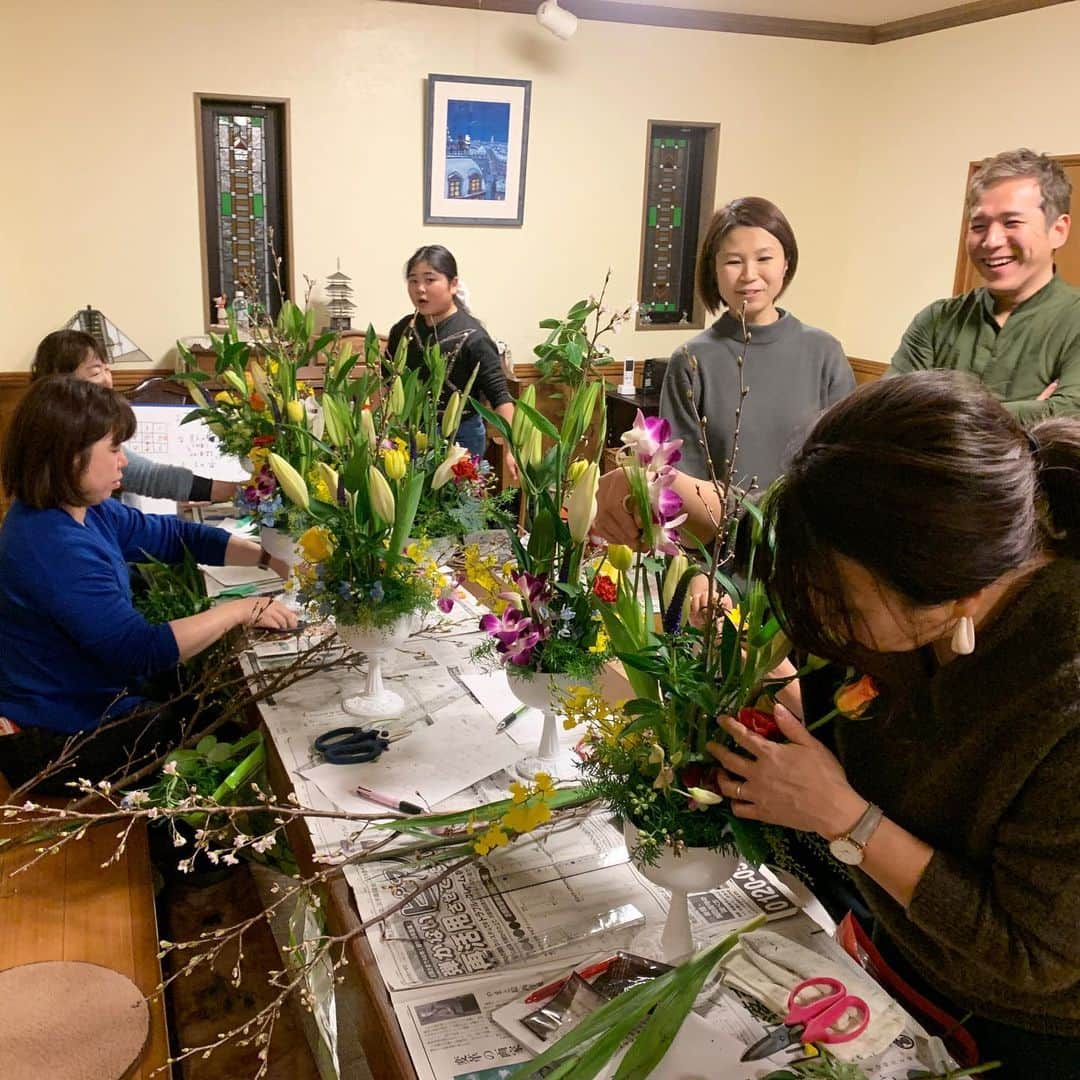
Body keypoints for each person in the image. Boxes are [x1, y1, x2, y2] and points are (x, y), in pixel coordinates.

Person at [706, 371, 1079, 1075]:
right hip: (894, 954)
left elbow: (1034, 954)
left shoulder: (1060, 695)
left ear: (953, 589)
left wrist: (847, 820)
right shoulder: (936, 601)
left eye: (840, 603)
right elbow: (859, 698)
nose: (829, 622)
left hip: (1011, 1028)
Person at [0, 376, 297, 791]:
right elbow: (141, 650)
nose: (124, 462)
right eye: (115, 449)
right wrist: (242, 609)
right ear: (70, 456)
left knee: (225, 704)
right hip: (60, 737)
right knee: (236, 741)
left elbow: (176, 537)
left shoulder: (83, 510)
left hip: (94, 699)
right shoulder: (53, 545)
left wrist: (270, 558)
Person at [594, 197, 853, 548]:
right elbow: (681, 484)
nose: (749, 275)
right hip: (717, 562)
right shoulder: (691, 361)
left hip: (806, 551)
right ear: (713, 272)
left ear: (786, 262)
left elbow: (845, 470)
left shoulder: (825, 353)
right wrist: (696, 568)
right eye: (733, 261)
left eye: (764, 258)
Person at [890, 148, 1080, 421]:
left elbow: (1072, 417)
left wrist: (933, 415)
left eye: (1012, 222)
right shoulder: (937, 320)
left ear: (1058, 230)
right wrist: (1028, 417)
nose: (991, 241)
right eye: (978, 226)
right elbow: (886, 414)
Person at [32, 329, 239, 503]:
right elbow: (147, 476)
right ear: (61, 381)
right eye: (96, 372)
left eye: (108, 370)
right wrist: (233, 492)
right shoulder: (71, 437)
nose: (107, 381)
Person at [385, 245, 516, 473]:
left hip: (462, 436)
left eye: (429, 279)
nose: (420, 289)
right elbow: (386, 382)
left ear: (453, 284)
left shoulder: (475, 338)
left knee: (459, 506)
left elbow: (500, 396)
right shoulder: (404, 330)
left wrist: (511, 449)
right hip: (411, 434)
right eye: (413, 281)